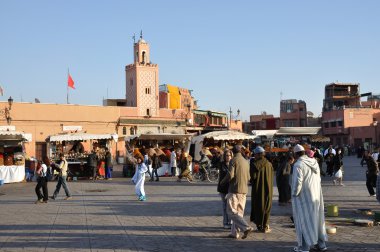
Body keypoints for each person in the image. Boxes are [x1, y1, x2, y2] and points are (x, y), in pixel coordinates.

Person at [292, 144, 328, 252]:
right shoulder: (314, 162)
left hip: (304, 197)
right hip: (316, 195)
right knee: (317, 220)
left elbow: (297, 183)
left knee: (304, 221)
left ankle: (304, 247)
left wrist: (294, 194)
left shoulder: (298, 165)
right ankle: (321, 245)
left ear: (295, 154)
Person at [220, 145, 253, 240]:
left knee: (231, 212)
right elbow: (249, 177)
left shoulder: (233, 160)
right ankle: (234, 233)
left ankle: (246, 227)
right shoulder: (246, 161)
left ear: (233, 152)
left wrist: (222, 182)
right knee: (239, 213)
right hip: (244, 191)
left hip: (234, 189)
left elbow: (230, 175)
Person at [250, 146, 274, 233]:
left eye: (255, 154)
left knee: (258, 206)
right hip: (268, 189)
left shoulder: (254, 165)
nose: (254, 156)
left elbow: (253, 177)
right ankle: (265, 225)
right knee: (266, 206)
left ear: (259, 154)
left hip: (257, 189)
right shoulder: (269, 164)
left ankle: (260, 225)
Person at [217, 149, 233, 229]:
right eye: (226, 155)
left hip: (230, 188)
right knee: (224, 206)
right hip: (223, 187)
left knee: (230, 206)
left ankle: (230, 222)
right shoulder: (221, 164)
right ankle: (225, 222)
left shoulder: (233, 164)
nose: (228, 157)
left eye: (229, 155)